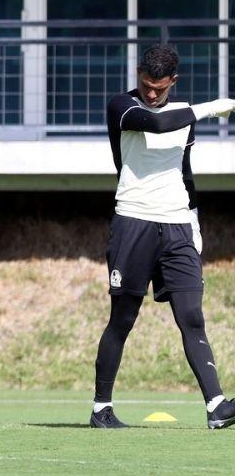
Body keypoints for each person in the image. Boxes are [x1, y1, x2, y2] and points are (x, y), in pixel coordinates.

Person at [91, 44, 235, 429]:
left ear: (174, 81)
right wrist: (213, 108)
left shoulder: (183, 113)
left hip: (177, 224)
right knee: (123, 318)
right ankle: (101, 408)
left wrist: (194, 220)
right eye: (146, 85)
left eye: (160, 87)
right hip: (133, 221)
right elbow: (156, 124)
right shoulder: (123, 106)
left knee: (192, 316)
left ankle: (216, 406)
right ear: (139, 75)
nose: (152, 94)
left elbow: (184, 170)